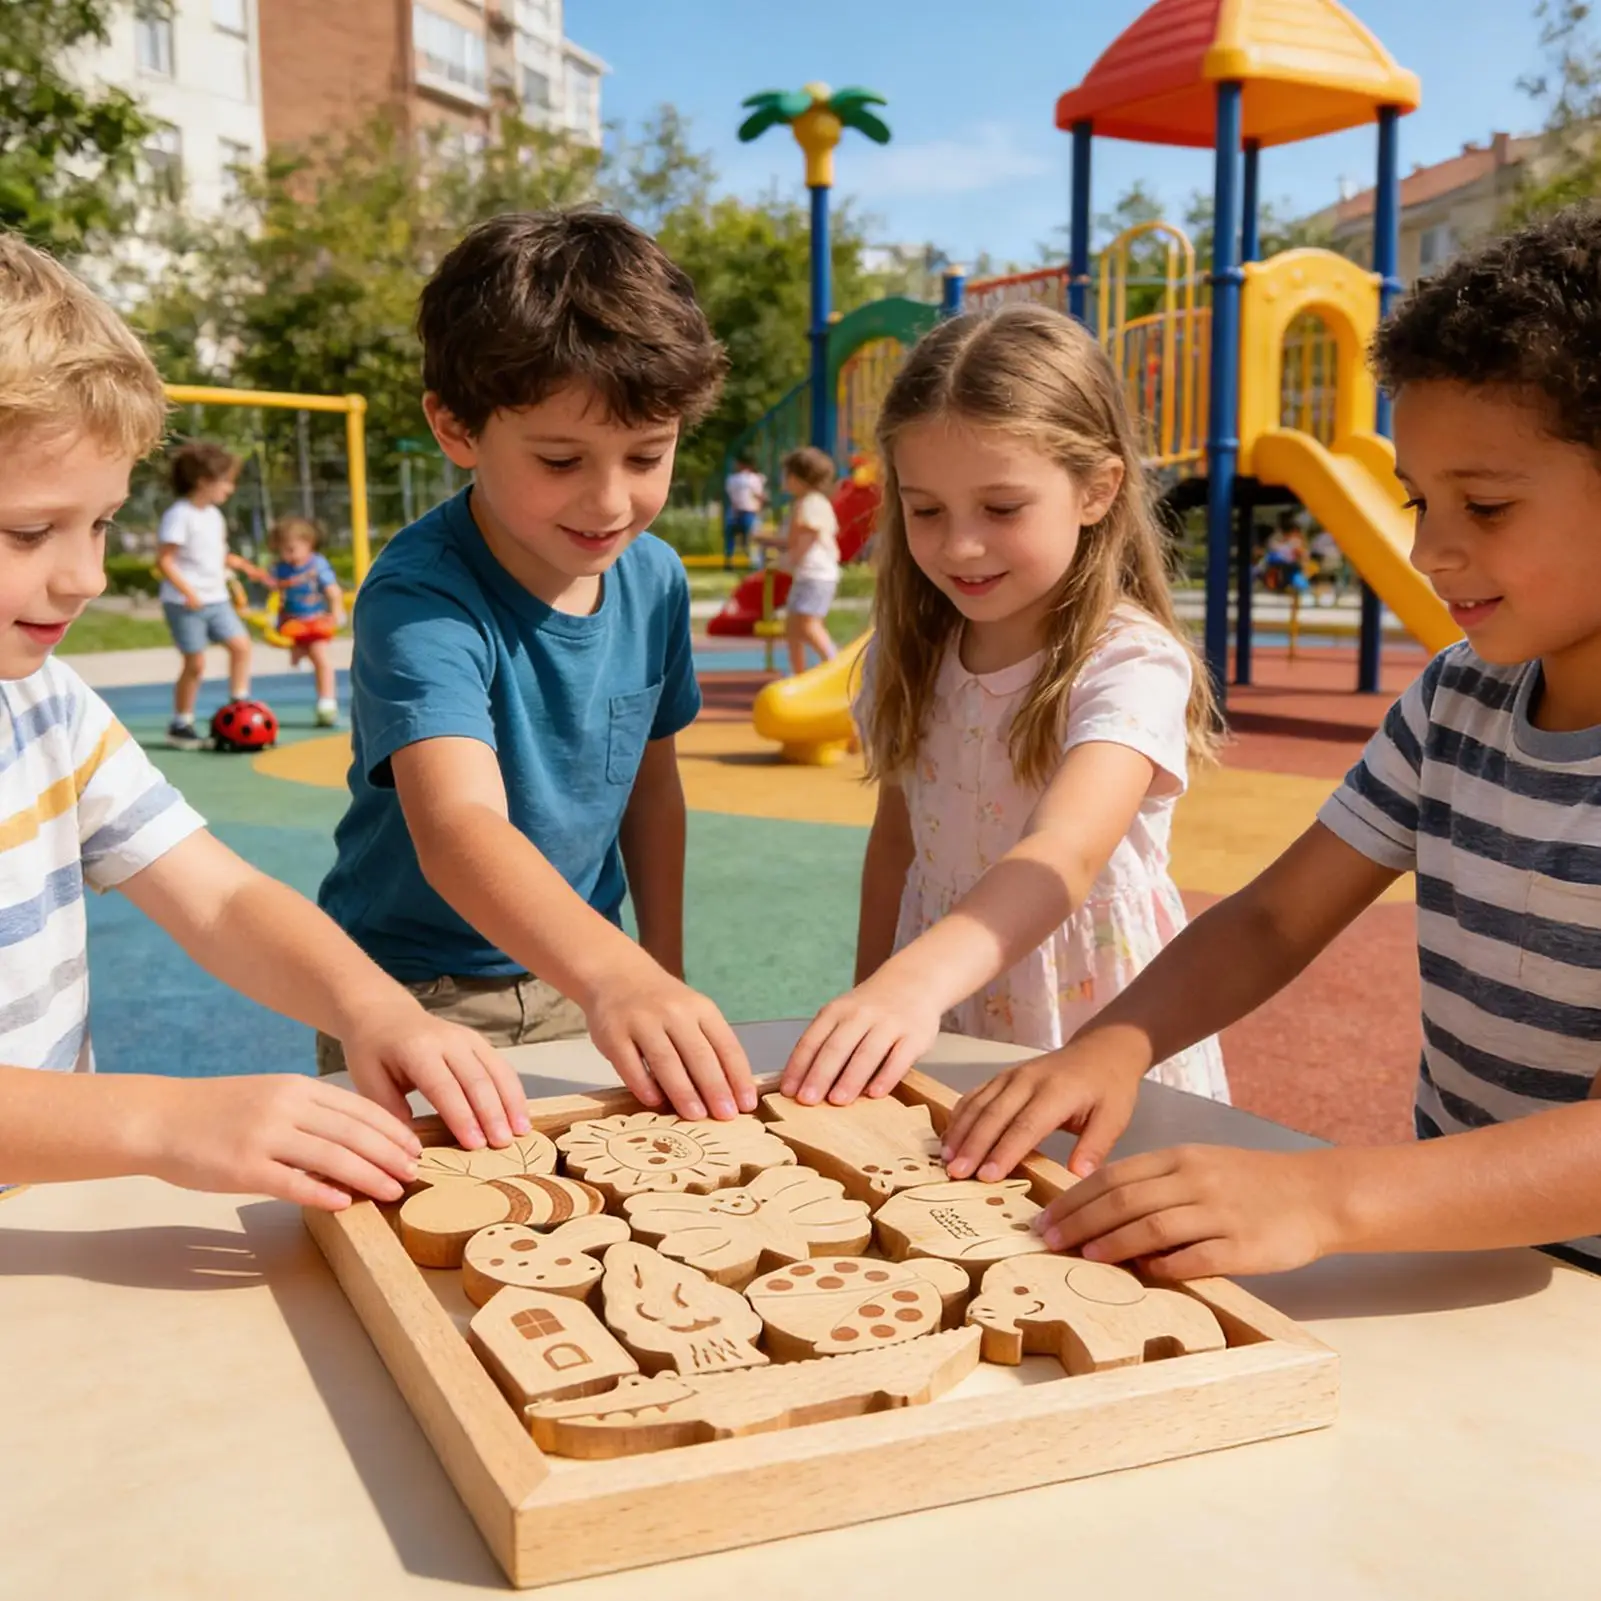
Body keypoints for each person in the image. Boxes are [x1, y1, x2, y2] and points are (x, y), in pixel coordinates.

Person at [941, 207, 1601, 1280]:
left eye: (1482, 505)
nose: (1430, 548)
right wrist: (1118, 1038)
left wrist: (1326, 1194)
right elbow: (1269, 918)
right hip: (1468, 1252)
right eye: (1417, 499)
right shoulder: (1454, 699)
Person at [0, 233, 530, 1206]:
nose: (82, 575)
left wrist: (374, 1007)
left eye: (102, 522)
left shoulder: (46, 706)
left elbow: (219, 899)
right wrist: (160, 1122)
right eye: (30, 530)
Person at [317, 209, 755, 1123]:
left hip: (585, 971)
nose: (609, 500)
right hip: (416, 997)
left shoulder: (656, 578)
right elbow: (458, 830)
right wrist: (618, 973)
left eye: (647, 455)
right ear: (456, 427)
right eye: (561, 459)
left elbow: (650, 786)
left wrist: (655, 963)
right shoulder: (420, 597)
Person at [781, 303, 1229, 1108]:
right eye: (925, 510)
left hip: (1084, 1023)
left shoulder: (1128, 662)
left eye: (1000, 508)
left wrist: (913, 981)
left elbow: (1065, 850)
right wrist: (874, 994)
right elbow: (897, 842)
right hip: (944, 1013)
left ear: (1095, 489)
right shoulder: (904, 653)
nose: (959, 545)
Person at [157, 440, 266, 750]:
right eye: (227, 481)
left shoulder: (213, 516)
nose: (230, 489)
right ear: (205, 481)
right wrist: (187, 591)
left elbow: (217, 554)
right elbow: (165, 560)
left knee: (241, 646)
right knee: (196, 664)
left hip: (217, 599)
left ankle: (239, 702)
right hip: (186, 604)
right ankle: (181, 722)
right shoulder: (180, 515)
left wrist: (244, 566)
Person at [268, 514, 345, 726]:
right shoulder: (281, 568)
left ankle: (327, 702)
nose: (287, 556)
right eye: (282, 550)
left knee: (320, 657)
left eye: (291, 549)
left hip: (314, 621)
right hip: (293, 623)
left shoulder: (317, 565)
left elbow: (333, 591)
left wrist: (336, 614)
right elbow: (276, 596)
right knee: (299, 656)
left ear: (308, 544)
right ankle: (299, 656)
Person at [777, 445, 841, 677]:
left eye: (786, 475)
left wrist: (794, 557)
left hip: (815, 574)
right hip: (812, 574)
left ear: (795, 478)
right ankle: (799, 675)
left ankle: (835, 670)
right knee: (793, 627)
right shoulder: (810, 502)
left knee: (808, 624)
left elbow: (808, 532)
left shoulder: (810, 503)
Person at [723, 456, 765, 569]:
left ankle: (729, 561)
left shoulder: (731, 479)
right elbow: (759, 496)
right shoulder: (755, 478)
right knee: (753, 540)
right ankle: (755, 564)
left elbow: (730, 495)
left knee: (730, 538)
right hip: (750, 512)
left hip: (735, 512)